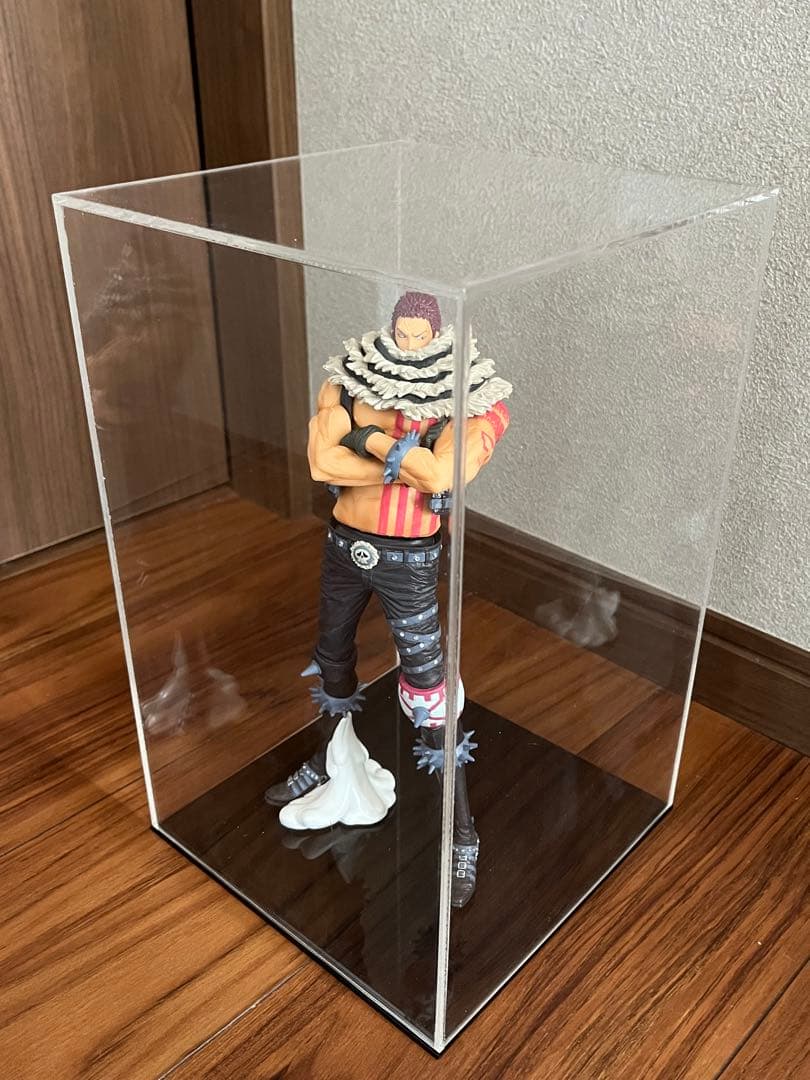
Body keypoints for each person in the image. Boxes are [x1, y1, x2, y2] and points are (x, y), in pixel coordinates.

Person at [266, 291, 512, 906]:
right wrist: (403, 460)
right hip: (344, 545)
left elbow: (441, 476)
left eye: (418, 335)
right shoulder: (351, 378)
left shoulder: (471, 397)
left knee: (431, 695)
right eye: (401, 333)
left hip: (409, 560)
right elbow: (321, 463)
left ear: (438, 336)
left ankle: (461, 830)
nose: (407, 343)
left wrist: (368, 440)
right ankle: (331, 759)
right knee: (332, 660)